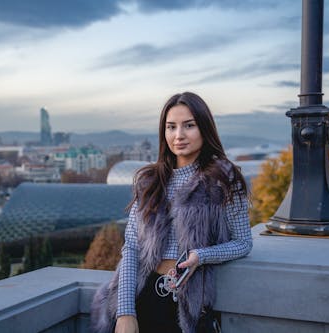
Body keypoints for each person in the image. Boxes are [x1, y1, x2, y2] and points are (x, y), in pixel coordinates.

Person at [91, 92, 253, 333]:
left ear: (204, 128)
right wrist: (125, 313)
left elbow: (243, 243)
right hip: (143, 295)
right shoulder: (150, 181)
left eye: (189, 125)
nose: (178, 135)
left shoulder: (224, 180)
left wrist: (201, 256)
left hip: (191, 302)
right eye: (171, 127)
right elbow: (132, 248)